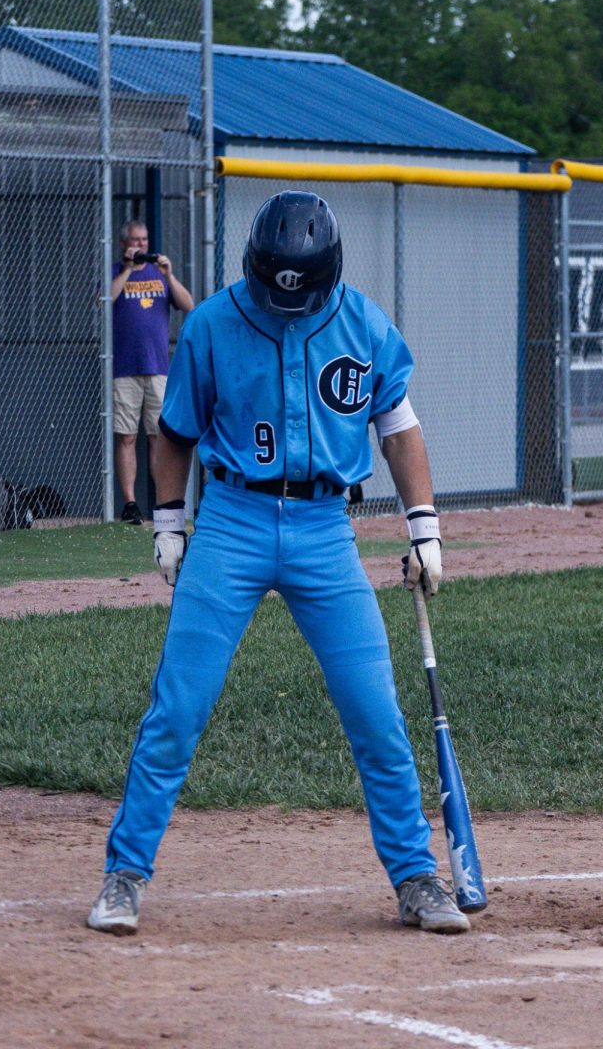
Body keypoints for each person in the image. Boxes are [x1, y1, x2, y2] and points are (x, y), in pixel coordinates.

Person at [87, 190, 467, 939]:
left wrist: (422, 527)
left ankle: (416, 876)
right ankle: (124, 873)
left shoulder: (362, 323)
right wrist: (168, 523)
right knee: (179, 707)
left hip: (326, 527)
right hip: (232, 520)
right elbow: (176, 434)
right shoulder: (214, 324)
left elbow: (398, 429)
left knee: (374, 712)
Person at [110, 219, 194, 525]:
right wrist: (128, 271)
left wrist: (169, 276)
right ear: (123, 244)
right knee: (126, 437)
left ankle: (164, 502)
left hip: (158, 367)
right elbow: (103, 300)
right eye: (134, 240)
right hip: (125, 368)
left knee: (160, 437)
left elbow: (189, 305)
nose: (140, 245)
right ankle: (130, 503)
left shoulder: (159, 274)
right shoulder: (116, 272)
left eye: (144, 240)